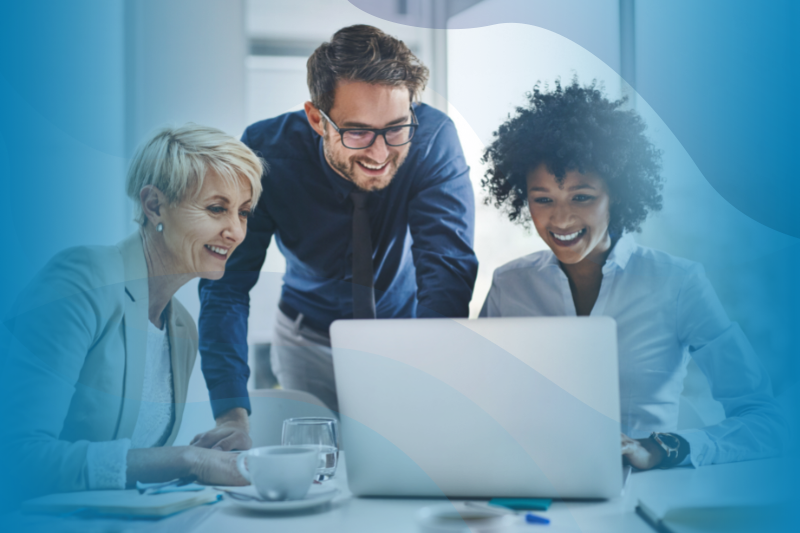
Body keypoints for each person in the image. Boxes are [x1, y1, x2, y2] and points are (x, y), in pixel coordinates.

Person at [479, 80, 787, 469]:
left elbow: (766, 422)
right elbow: (476, 408)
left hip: (642, 501)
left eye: (582, 196)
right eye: (543, 199)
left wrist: (660, 448)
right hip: (531, 492)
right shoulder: (510, 286)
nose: (560, 219)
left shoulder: (678, 283)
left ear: (618, 192)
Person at [197, 25, 478, 419]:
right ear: (317, 119)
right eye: (359, 132)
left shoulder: (432, 140)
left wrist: (430, 376)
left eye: (396, 127)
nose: (380, 153)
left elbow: (446, 269)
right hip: (306, 340)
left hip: (407, 335)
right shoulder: (266, 153)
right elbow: (226, 284)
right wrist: (229, 409)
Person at [1, 124, 263, 502]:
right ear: (154, 204)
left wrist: (214, 457)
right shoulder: (83, 279)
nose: (235, 232)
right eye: (216, 208)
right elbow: (15, 457)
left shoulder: (181, 328)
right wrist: (187, 460)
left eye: (243, 213)